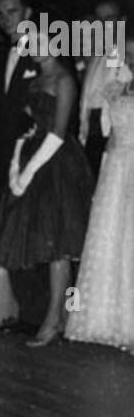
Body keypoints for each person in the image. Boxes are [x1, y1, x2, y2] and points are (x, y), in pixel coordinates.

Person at [0, 33, 94, 348]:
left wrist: (28, 172)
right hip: (35, 157)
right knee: (45, 244)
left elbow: (59, 133)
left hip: (57, 164)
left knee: (58, 245)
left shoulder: (64, 79)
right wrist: (17, 165)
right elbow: (29, 126)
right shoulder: (34, 80)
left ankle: (53, 320)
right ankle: (53, 315)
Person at [66, 33, 134, 353]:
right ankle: (106, 320)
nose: (130, 59)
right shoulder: (115, 88)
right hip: (115, 170)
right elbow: (108, 134)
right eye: (128, 54)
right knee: (110, 239)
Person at [0, 0, 44, 330]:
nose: (6, 19)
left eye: (12, 11)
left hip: (30, 158)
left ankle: (40, 316)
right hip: (3, 156)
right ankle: (27, 313)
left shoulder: (43, 51)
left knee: (33, 235)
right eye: (1, 13)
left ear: (28, 12)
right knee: (11, 233)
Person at [79, 2, 126, 179]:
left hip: (115, 137)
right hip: (92, 135)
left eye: (109, 19)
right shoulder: (95, 56)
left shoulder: (126, 55)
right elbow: (87, 100)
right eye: (99, 20)